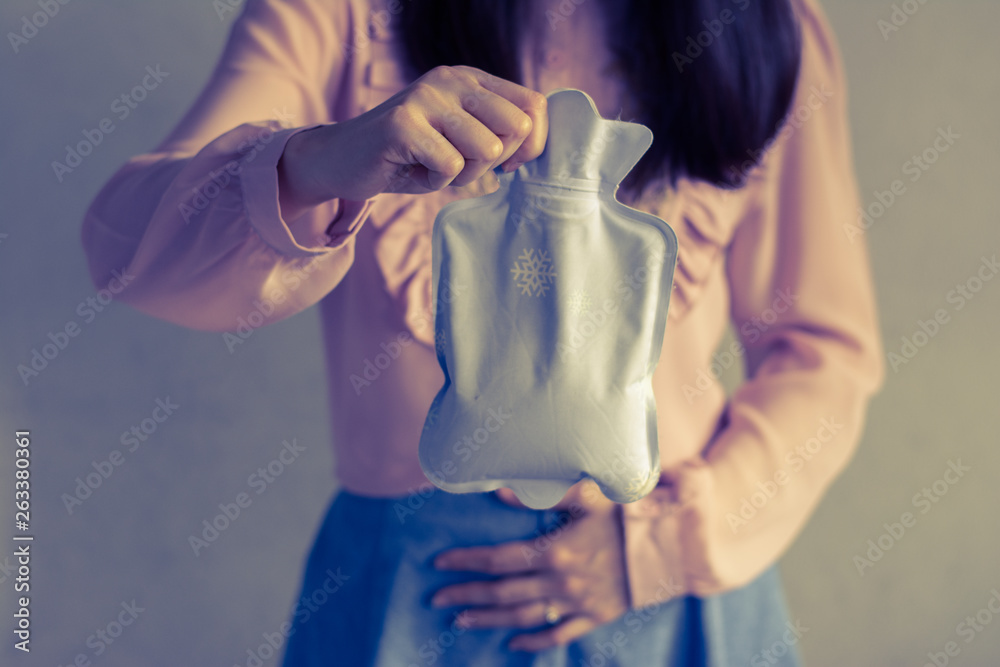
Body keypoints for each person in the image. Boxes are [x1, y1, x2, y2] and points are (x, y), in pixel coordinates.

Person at [81, 0, 884, 664]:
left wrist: (669, 544)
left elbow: (826, 350)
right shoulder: (335, 15)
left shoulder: (764, 28)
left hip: (679, 602)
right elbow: (130, 249)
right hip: (411, 604)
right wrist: (322, 161)